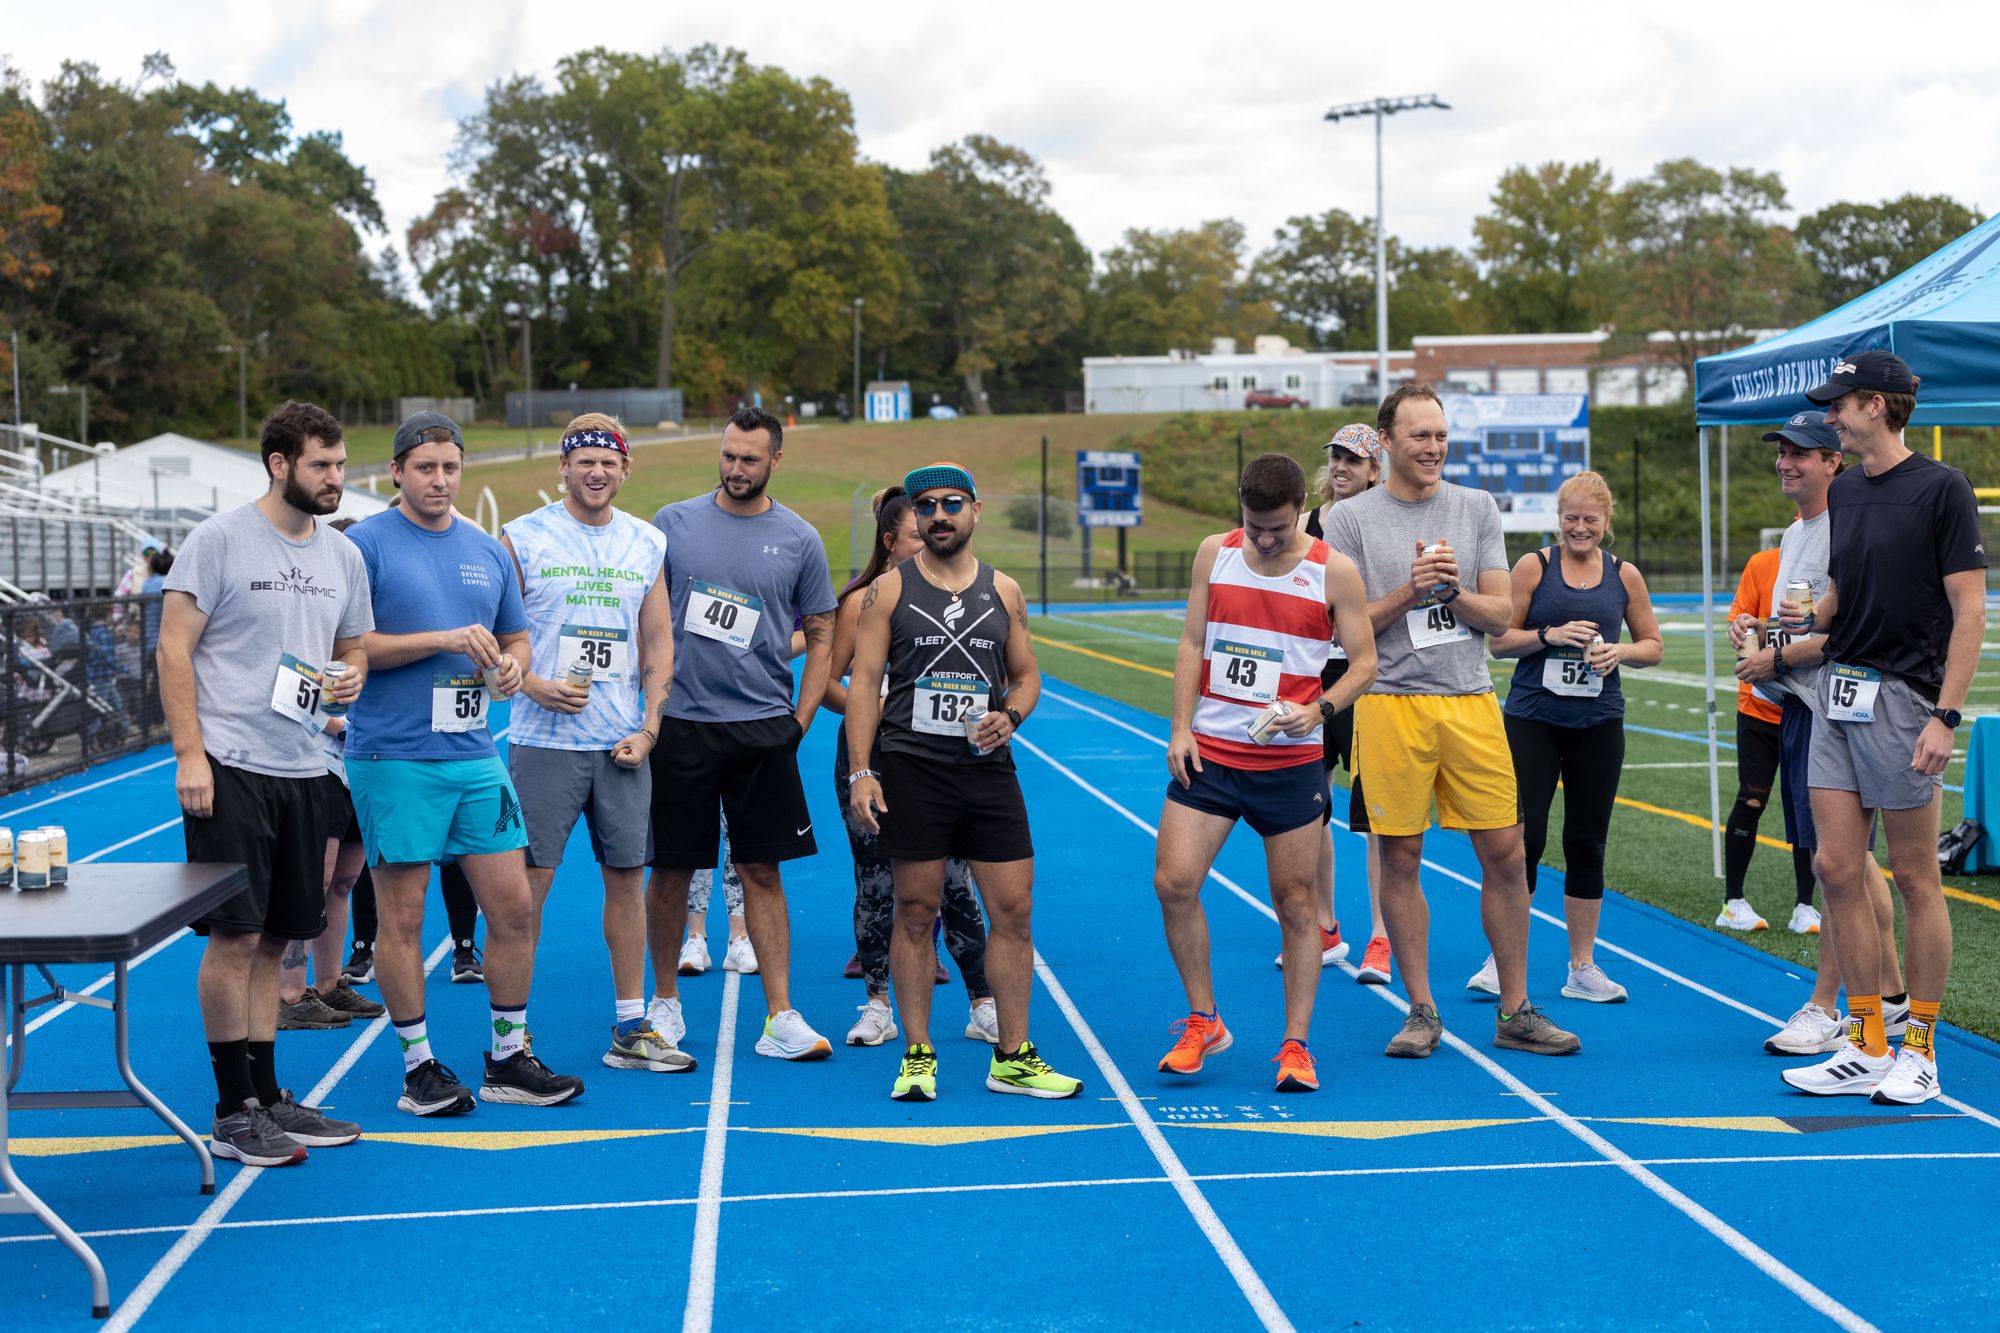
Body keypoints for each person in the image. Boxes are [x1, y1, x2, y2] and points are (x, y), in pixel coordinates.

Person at [1327, 382, 1581, 1058]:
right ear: (1387, 442)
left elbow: (1502, 617)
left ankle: (1517, 1008)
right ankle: (1421, 1010)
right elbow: (1342, 625)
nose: (1434, 447)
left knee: (1506, 853)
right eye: (1420, 435)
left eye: (1440, 435)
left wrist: (1453, 592)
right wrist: (1413, 589)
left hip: (1469, 699)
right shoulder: (1348, 519)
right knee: (1401, 856)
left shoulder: (1475, 507)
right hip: (1387, 704)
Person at [345, 410, 584, 1115]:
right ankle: (418, 1068)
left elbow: (518, 639)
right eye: (425, 468)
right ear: (396, 472)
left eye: (450, 467)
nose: (440, 480)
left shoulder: (487, 548)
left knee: (512, 908)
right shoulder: (366, 546)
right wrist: (439, 638)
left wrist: (513, 669)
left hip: (475, 753)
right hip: (395, 755)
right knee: (405, 914)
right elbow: (352, 645)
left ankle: (509, 1056)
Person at [158, 400, 370, 1166]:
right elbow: (173, 649)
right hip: (231, 765)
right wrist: (190, 754)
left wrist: (351, 677)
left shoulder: (343, 557)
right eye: (322, 464)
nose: (335, 478)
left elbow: (354, 647)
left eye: (340, 465)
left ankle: (269, 1094)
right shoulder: (217, 541)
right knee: (236, 935)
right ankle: (230, 1105)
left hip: (309, 766)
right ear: (280, 464)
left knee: (281, 935)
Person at [847, 461, 1080, 1101]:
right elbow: (865, 683)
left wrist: (1012, 715)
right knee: (917, 912)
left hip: (986, 773)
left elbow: (1028, 675)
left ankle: (1012, 1057)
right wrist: (862, 771)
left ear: (975, 511)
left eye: (952, 503)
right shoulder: (888, 591)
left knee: (1015, 911)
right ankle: (919, 1055)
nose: (939, 515)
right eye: (926, 506)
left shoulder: (1004, 590)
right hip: (912, 768)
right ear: (914, 519)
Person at [1783, 353, 1980, 1104]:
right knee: (1836, 866)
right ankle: (1866, 1042)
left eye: (1839, 404)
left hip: (1905, 701)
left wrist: (1944, 716)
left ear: (1875, 404)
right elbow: (1845, 587)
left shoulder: (1942, 487)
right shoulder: (1851, 491)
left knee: (1915, 876)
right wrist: (1815, 614)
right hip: (1837, 692)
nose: (1830, 415)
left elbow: (1969, 611)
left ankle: (1920, 1049)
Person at [1152, 452, 1376, 1093]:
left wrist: (1319, 710)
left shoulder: (1333, 570)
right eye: (1255, 526)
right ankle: (1204, 1020)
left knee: (1297, 906)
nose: (1266, 538)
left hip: (1288, 763)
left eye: (1278, 527)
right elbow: (1193, 641)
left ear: (1301, 508)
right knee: (1173, 883)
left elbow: (1364, 663)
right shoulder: (1212, 553)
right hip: (1214, 754)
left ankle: (1295, 1045)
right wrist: (1179, 726)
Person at [646, 405, 838, 1060]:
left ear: (775, 460)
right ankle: (664, 1005)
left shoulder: (800, 538)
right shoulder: (671, 523)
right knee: (672, 870)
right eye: (727, 455)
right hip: (682, 725)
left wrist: (803, 715)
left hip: (761, 729)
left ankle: (780, 1015)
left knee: (763, 868)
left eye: (749, 458)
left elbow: (823, 630)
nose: (734, 468)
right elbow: (643, 614)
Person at [499, 413, 689, 1073]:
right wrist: (536, 686)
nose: (597, 472)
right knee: (528, 888)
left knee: (627, 883)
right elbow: (497, 639)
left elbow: (660, 640)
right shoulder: (522, 537)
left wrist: (650, 727)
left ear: (625, 469)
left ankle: (631, 1026)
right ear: (564, 467)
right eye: (585, 462)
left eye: (609, 462)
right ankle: (511, 1036)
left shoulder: (646, 542)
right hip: (543, 740)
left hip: (621, 744)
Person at [1731, 412, 1905, 1056]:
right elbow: (1800, 625)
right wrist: (1759, 637)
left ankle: (1829, 1003)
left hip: (1838, 705)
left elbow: (1844, 630)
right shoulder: (1794, 531)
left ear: (1835, 461)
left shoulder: (1848, 524)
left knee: (1841, 864)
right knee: (1846, 863)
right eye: (1782, 450)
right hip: (1805, 704)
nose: (1786, 461)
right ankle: (1886, 997)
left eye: (1802, 452)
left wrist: (1775, 658)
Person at [826, 486, 997, 1049]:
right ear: (891, 541)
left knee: (955, 883)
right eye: (917, 532)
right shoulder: (864, 601)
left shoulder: (966, 593)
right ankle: (877, 1003)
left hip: (941, 759)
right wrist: (869, 706)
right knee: (876, 881)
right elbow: (830, 679)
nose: (932, 535)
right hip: (873, 759)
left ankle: (982, 1001)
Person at [1488, 471, 1663, 1002]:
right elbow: (1499, 641)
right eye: (1571, 518)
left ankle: (1581, 967)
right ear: (1558, 519)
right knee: (1524, 840)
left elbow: (1652, 643)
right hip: (1533, 719)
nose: (1580, 528)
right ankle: (1503, 962)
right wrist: (1549, 635)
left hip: (1598, 721)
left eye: (1590, 519)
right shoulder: (1533, 566)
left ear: (1607, 522)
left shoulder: (1624, 575)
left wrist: (1621, 652)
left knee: (1587, 842)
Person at [1296, 423, 1389, 983]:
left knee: (1378, 813)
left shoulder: (1384, 527)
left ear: (1376, 469)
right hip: (1310, 680)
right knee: (1312, 808)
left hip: (1368, 678)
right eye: (1335, 457)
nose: (1341, 467)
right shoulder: (1307, 527)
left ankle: (1381, 935)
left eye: (1354, 459)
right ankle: (1326, 926)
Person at [1715, 543, 1817, 932]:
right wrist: (1742, 631)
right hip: (1760, 707)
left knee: (1806, 804)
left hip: (1807, 707)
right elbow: (1737, 622)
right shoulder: (1762, 562)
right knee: (1752, 797)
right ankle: (1733, 901)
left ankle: (1805, 905)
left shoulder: (1834, 560)